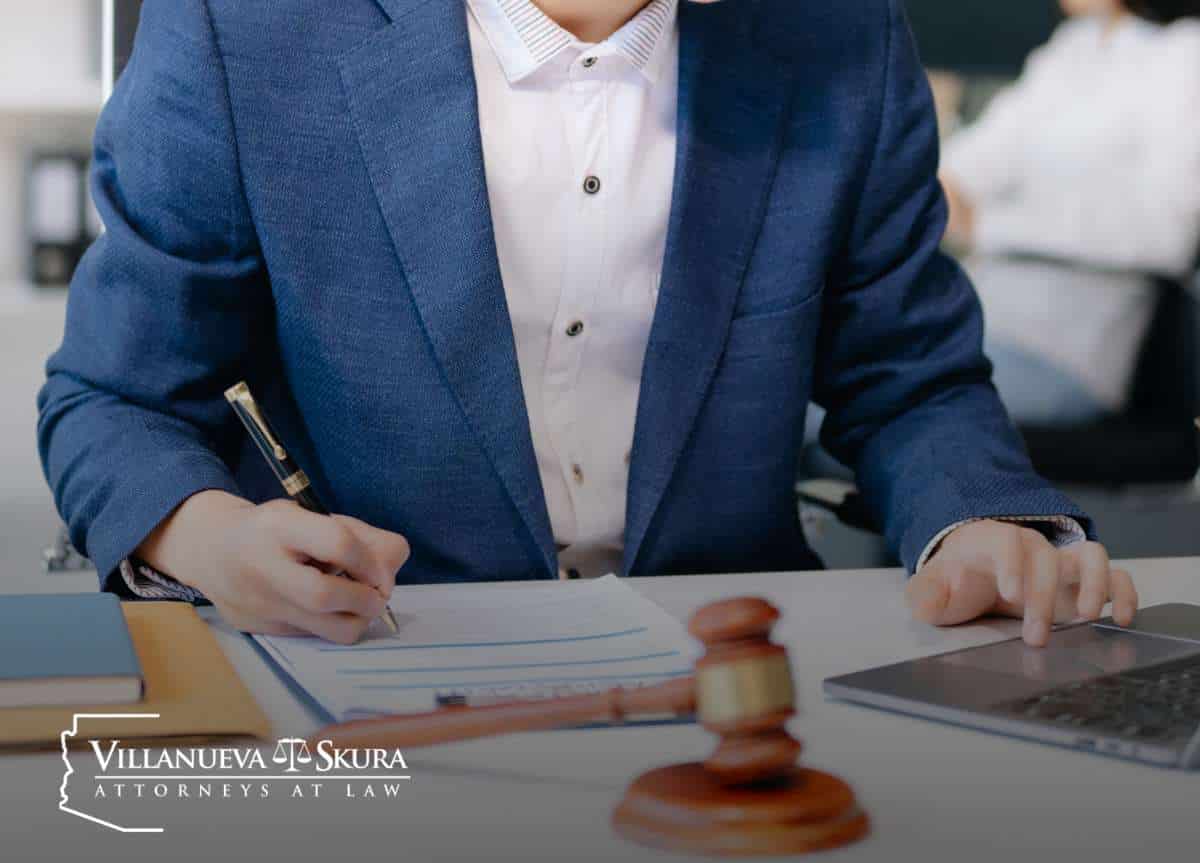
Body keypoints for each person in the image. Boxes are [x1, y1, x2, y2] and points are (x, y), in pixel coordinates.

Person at [38, 0, 1137, 647]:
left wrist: (981, 521)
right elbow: (116, 398)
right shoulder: (248, 29)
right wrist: (213, 540)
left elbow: (911, 376)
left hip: (741, 664)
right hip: (378, 651)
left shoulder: (838, 34)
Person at [941, 0, 1200, 425]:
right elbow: (978, 159)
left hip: (1063, 350)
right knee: (811, 388)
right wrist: (935, 184)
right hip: (978, 322)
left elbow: (1168, 233)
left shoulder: (1183, 54)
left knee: (836, 411)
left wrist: (990, 224)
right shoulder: (1071, 48)